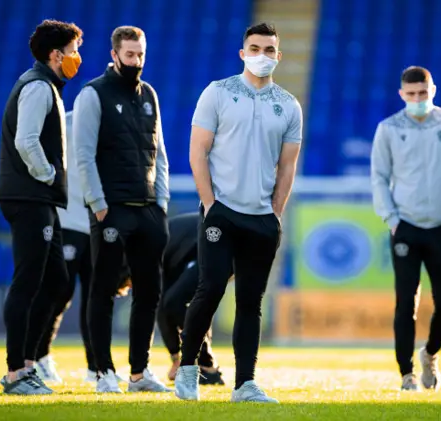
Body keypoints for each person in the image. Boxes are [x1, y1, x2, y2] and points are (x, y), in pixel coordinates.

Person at [175, 22, 303, 403]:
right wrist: (210, 204)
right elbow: (197, 151)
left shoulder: (289, 105)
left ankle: (245, 383)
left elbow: (287, 167)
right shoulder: (218, 93)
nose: (261, 55)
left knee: (250, 301)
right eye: (254, 47)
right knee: (210, 288)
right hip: (222, 211)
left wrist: (275, 213)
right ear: (242, 52)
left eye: (268, 50)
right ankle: (186, 371)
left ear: (278, 56)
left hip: (261, 218)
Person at [74, 25, 171, 394]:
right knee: (103, 291)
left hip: (147, 210)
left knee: (149, 293)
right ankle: (103, 372)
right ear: (114, 54)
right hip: (111, 210)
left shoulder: (150, 94)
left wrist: (160, 205)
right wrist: (99, 207)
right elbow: (83, 155)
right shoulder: (93, 94)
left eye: (141, 55)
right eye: (130, 55)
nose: (136, 62)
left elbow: (158, 152)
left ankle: (139, 372)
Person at [370, 66, 441, 391]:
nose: (417, 99)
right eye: (411, 95)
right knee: (406, 301)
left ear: (433, 91)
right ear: (402, 95)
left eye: (423, 94)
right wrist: (392, 219)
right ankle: (407, 373)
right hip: (406, 227)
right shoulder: (388, 128)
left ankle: (430, 353)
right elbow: (379, 177)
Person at [0, 19, 83, 395]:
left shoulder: (45, 86)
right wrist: (47, 175)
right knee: (28, 282)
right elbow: (26, 140)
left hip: (41, 199)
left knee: (57, 281)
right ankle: (17, 372)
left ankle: (29, 364)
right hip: (31, 196)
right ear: (55, 54)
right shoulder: (38, 87)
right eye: (73, 50)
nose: (76, 58)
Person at [32, 111, 125, 385]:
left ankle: (96, 367)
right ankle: (37, 358)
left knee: (96, 296)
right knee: (58, 291)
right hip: (67, 220)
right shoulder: (64, 122)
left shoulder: (108, 125)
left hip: (95, 222)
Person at [156, 212, 227, 386]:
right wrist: (174, 356)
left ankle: (208, 364)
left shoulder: (149, 255)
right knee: (178, 302)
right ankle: (205, 363)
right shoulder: (161, 254)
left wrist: (176, 357)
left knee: (176, 301)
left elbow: (165, 305)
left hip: (217, 245)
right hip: (201, 246)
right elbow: (162, 308)